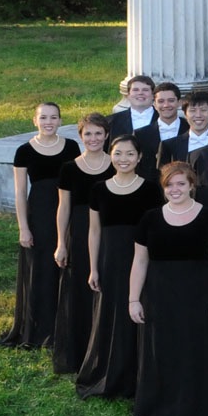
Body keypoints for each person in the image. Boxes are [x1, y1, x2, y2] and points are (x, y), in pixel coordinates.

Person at [129, 161, 208, 416]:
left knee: (198, 349)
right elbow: (139, 262)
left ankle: (201, 404)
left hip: (200, 296)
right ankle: (164, 403)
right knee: (166, 351)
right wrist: (133, 299)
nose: (175, 189)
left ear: (192, 186)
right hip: (160, 297)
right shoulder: (149, 218)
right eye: (169, 185)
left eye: (181, 184)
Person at [75, 135, 163, 400]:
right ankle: (112, 371)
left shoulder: (149, 189)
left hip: (142, 258)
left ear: (139, 158)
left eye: (129, 154)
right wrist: (94, 267)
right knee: (112, 312)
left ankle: (140, 374)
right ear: (110, 155)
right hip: (110, 259)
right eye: (118, 153)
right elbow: (94, 231)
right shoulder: (99, 189)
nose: (123, 159)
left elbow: (156, 229)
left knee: (139, 311)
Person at [2, 102, 80, 349]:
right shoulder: (24, 151)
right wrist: (23, 227)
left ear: (60, 121)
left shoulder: (71, 147)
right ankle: (39, 328)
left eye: (54, 117)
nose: (49, 121)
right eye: (43, 117)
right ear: (34, 121)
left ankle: (64, 326)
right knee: (41, 269)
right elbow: (20, 192)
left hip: (67, 210)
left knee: (65, 266)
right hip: (39, 215)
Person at [51, 112, 113, 373]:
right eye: (88, 133)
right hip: (78, 232)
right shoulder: (69, 168)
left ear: (106, 135)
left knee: (107, 285)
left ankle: (106, 348)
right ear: (80, 136)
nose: (93, 138)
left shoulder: (117, 163)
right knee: (78, 288)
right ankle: (81, 350)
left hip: (109, 232)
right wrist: (60, 243)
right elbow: (63, 207)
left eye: (98, 133)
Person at [158, 91, 208, 170]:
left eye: (203, 110)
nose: (198, 115)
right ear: (185, 114)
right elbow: (162, 177)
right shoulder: (169, 145)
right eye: (192, 110)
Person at [106, 75, 156, 147]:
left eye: (145, 90)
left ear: (153, 95)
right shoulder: (111, 122)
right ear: (128, 95)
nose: (140, 93)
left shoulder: (163, 120)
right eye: (135, 90)